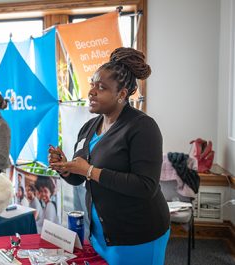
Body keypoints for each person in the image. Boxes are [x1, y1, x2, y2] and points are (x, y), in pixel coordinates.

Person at [49, 47, 170, 265]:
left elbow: (145, 186)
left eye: (101, 88)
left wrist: (89, 170)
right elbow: (80, 176)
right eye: (92, 85)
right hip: (102, 234)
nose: (91, 92)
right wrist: (66, 168)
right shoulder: (89, 127)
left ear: (122, 94)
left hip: (137, 235)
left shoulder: (142, 127)